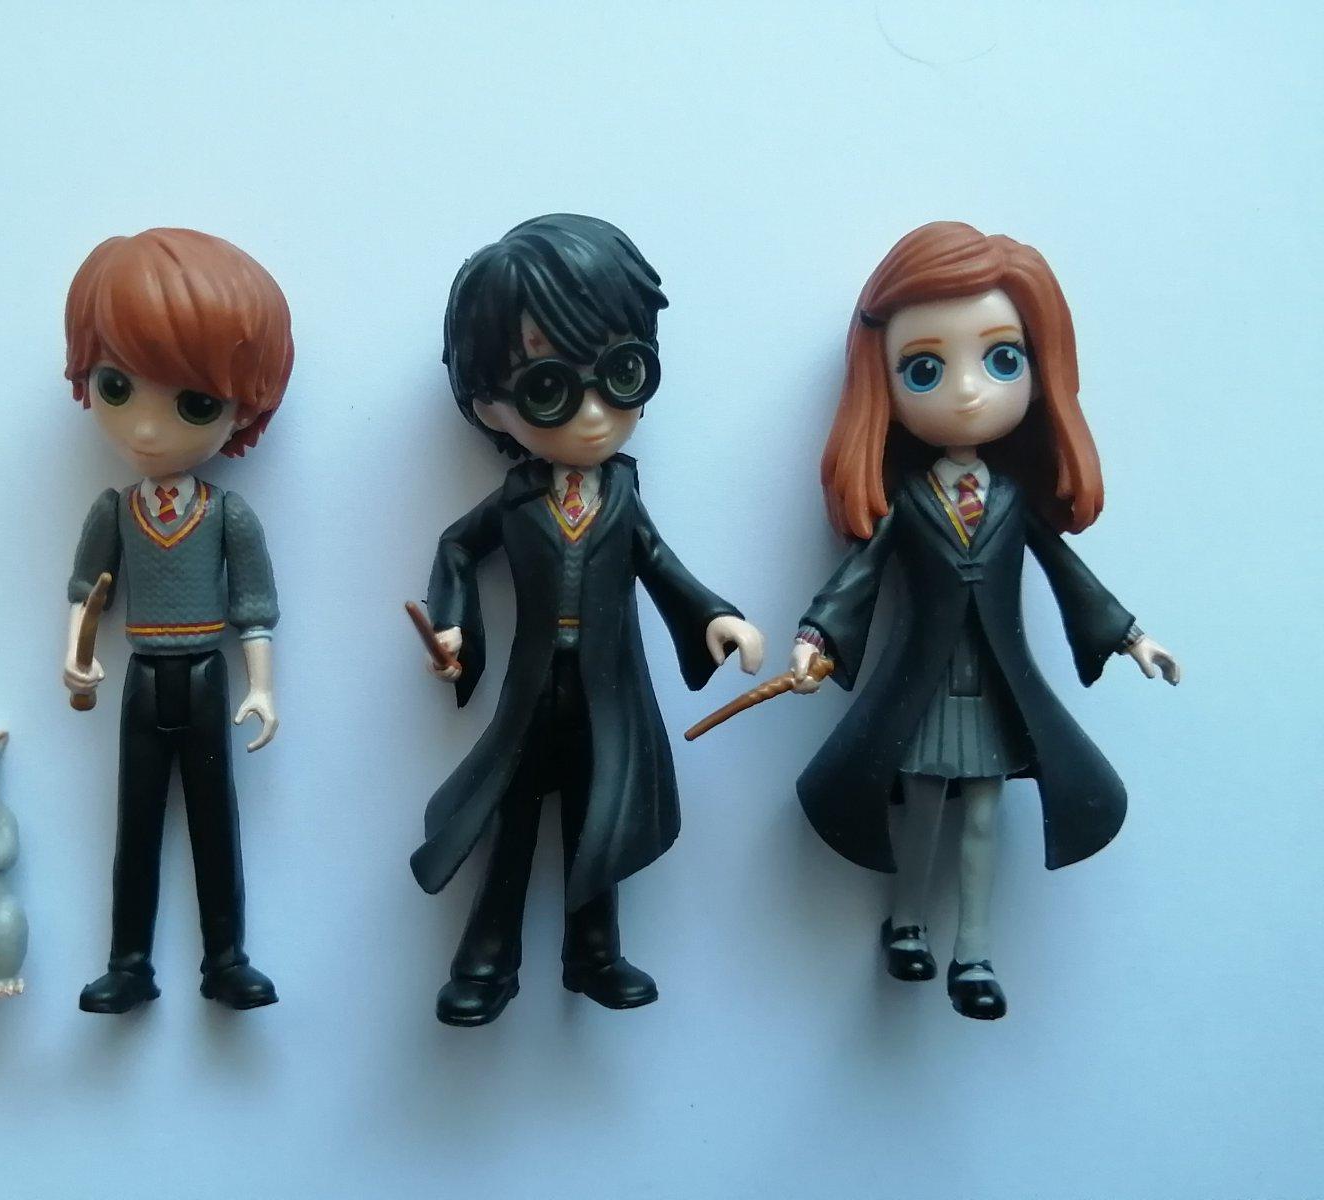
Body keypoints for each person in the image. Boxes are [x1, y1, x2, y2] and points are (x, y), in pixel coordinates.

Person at [786, 221, 1181, 1020]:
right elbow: (860, 576)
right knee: (924, 811)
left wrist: (1131, 636)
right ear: (884, 383)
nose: (967, 392)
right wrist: (815, 637)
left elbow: (1069, 575)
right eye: (926, 369)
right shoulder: (909, 501)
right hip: (923, 688)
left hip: (996, 685)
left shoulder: (1010, 501)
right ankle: (906, 924)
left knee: (983, 820)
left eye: (1002, 360)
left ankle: (973, 951)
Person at [413, 213, 766, 1027]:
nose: (596, 413)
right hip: (532, 696)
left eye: (621, 371)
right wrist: (453, 627)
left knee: (596, 821)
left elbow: (661, 564)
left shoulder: (623, 495)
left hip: (609, 694)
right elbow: (457, 549)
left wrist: (716, 618)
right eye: (548, 388)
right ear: (490, 406)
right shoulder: (517, 499)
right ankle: (486, 961)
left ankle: (594, 954)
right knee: (510, 827)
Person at [62, 227, 292, 1013]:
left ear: (241, 410)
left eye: (194, 403)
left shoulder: (228, 515)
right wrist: (75, 652)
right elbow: (88, 590)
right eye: (117, 386)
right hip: (138, 679)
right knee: (136, 823)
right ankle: (128, 963)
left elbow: (254, 607)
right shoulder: (115, 510)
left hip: (203, 676)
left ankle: (226, 959)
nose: (147, 429)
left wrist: (262, 687)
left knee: (213, 821)